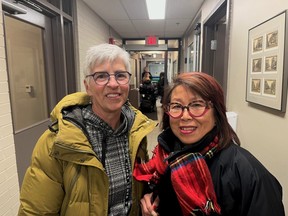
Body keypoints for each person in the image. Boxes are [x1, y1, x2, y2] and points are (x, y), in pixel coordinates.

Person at [18, 43, 157, 215]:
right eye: (101, 76)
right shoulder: (58, 141)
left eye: (120, 75)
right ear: (87, 86)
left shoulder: (135, 131)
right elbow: (35, 211)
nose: (113, 84)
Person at [134, 72, 285, 216]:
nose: (185, 116)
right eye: (177, 106)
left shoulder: (250, 175)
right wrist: (150, 198)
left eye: (197, 105)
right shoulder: (165, 157)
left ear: (217, 112)